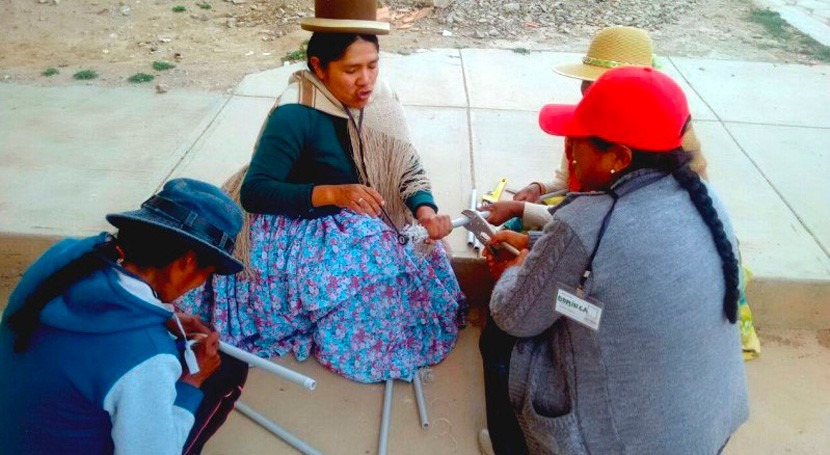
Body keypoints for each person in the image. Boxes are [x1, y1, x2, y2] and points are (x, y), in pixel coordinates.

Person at [179, 0, 465, 384]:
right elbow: (256, 192)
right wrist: (332, 194)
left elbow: (405, 164)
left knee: (419, 255)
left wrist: (425, 211)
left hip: (343, 207)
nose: (365, 80)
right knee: (372, 269)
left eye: (372, 65)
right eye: (351, 70)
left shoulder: (378, 99)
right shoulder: (295, 113)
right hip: (290, 217)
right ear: (318, 67)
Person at [478, 67, 749, 454]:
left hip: (621, 443)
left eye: (577, 141)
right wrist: (537, 245)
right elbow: (604, 299)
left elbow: (515, 315)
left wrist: (515, 272)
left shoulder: (587, 220)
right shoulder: (700, 195)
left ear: (618, 157)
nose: (568, 149)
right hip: (705, 427)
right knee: (568, 306)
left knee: (500, 334)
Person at [0, 178, 245, 454]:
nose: (202, 282)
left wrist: (162, 316)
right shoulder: (148, 357)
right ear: (186, 262)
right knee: (228, 369)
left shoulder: (63, 259)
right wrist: (191, 382)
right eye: (207, 272)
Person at [485, 26, 707, 229]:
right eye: (586, 84)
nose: (586, 93)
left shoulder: (635, 195)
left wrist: (522, 211)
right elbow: (567, 184)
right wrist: (540, 188)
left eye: (598, 86)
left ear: (618, 158)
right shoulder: (597, 122)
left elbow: (587, 223)